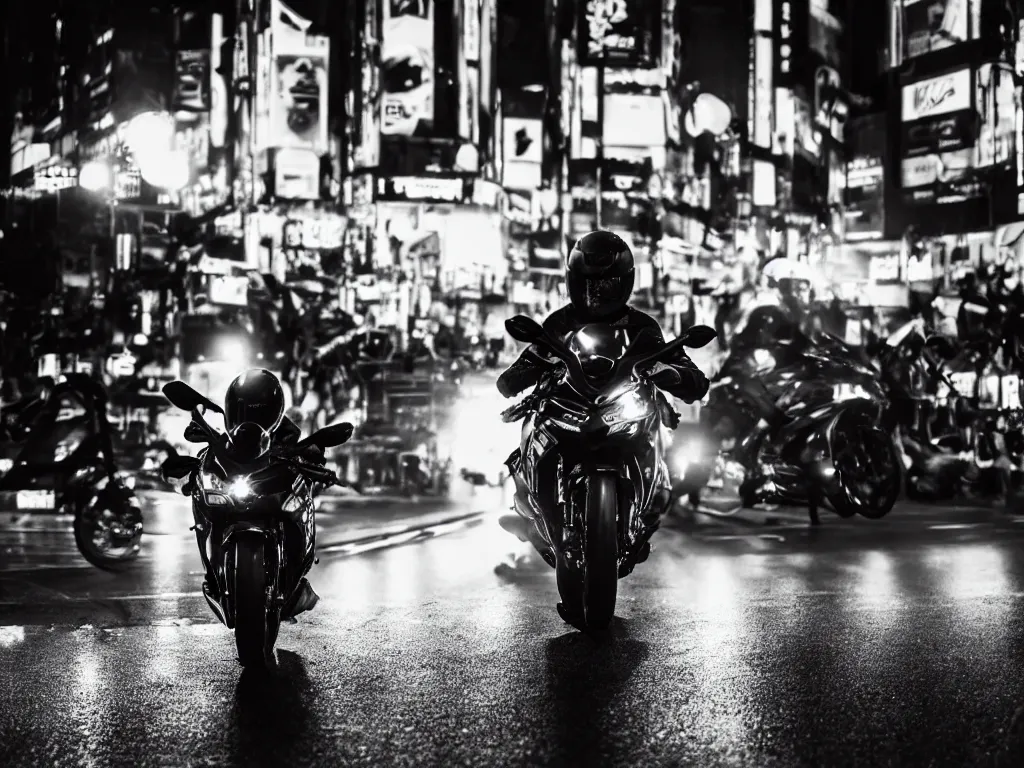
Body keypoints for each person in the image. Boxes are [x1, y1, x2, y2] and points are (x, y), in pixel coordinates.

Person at [494, 231, 710, 588]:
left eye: (607, 284)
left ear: (624, 284)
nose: (597, 293)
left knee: (667, 439)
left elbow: (688, 373)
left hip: (623, 409)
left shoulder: (642, 328)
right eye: (589, 284)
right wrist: (526, 368)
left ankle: (648, 504)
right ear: (573, 281)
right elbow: (515, 375)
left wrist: (671, 372)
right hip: (568, 409)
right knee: (533, 429)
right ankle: (531, 507)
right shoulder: (558, 325)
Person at [217, 369, 323, 619]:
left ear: (274, 410)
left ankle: (294, 579)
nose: (250, 417)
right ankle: (216, 576)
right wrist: (202, 462)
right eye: (243, 411)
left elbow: (306, 452)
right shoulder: (229, 440)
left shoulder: (289, 435)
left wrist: (312, 456)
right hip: (240, 498)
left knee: (298, 504)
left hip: (274, 496)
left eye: (258, 411)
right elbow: (216, 455)